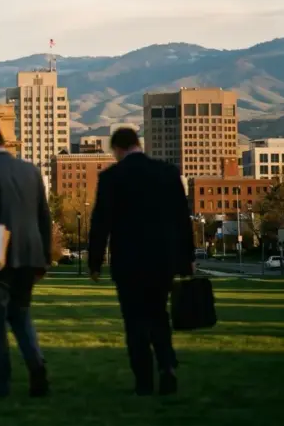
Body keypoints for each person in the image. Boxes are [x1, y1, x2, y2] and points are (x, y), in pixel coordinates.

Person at [88, 127, 195, 396]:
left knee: (134, 321)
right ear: (138, 144)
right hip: (162, 260)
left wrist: (94, 261)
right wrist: (187, 258)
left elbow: (101, 223)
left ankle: (144, 380)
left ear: (118, 150)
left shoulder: (112, 177)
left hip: (128, 262)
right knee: (159, 315)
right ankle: (167, 367)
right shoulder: (167, 173)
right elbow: (183, 220)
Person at [0, 125, 51, 399]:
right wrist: (44, 258)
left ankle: (1, 386)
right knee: (21, 313)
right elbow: (44, 217)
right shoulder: (31, 170)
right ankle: (36, 364)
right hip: (29, 254)